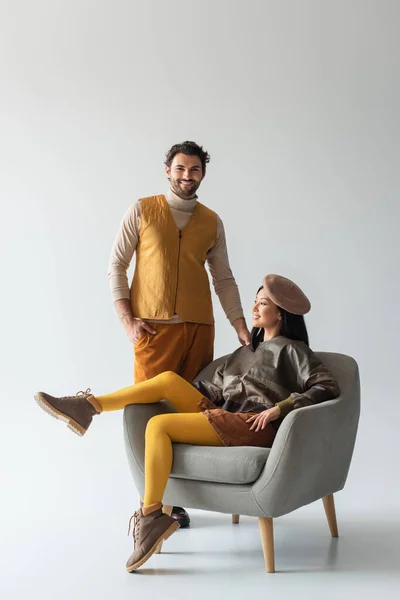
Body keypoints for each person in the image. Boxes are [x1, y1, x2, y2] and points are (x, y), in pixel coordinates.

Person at [34, 274, 340, 573]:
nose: (254, 309)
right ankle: (87, 406)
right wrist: (186, 396)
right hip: (225, 416)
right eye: (255, 301)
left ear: (281, 314)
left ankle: (151, 515)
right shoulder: (242, 353)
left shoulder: (293, 350)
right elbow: (209, 390)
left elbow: (326, 386)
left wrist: (280, 408)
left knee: (158, 426)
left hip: (252, 426)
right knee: (168, 379)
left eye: (262, 304)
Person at [108, 140, 250, 527]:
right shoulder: (142, 210)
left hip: (199, 329)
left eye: (195, 170)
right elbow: (116, 265)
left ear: (203, 173)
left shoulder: (211, 221)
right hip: (152, 330)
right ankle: (148, 505)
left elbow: (223, 277)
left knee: (191, 410)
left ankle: (173, 501)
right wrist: (126, 319)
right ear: (167, 170)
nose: (187, 176)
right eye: (180, 169)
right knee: (146, 412)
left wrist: (239, 323)